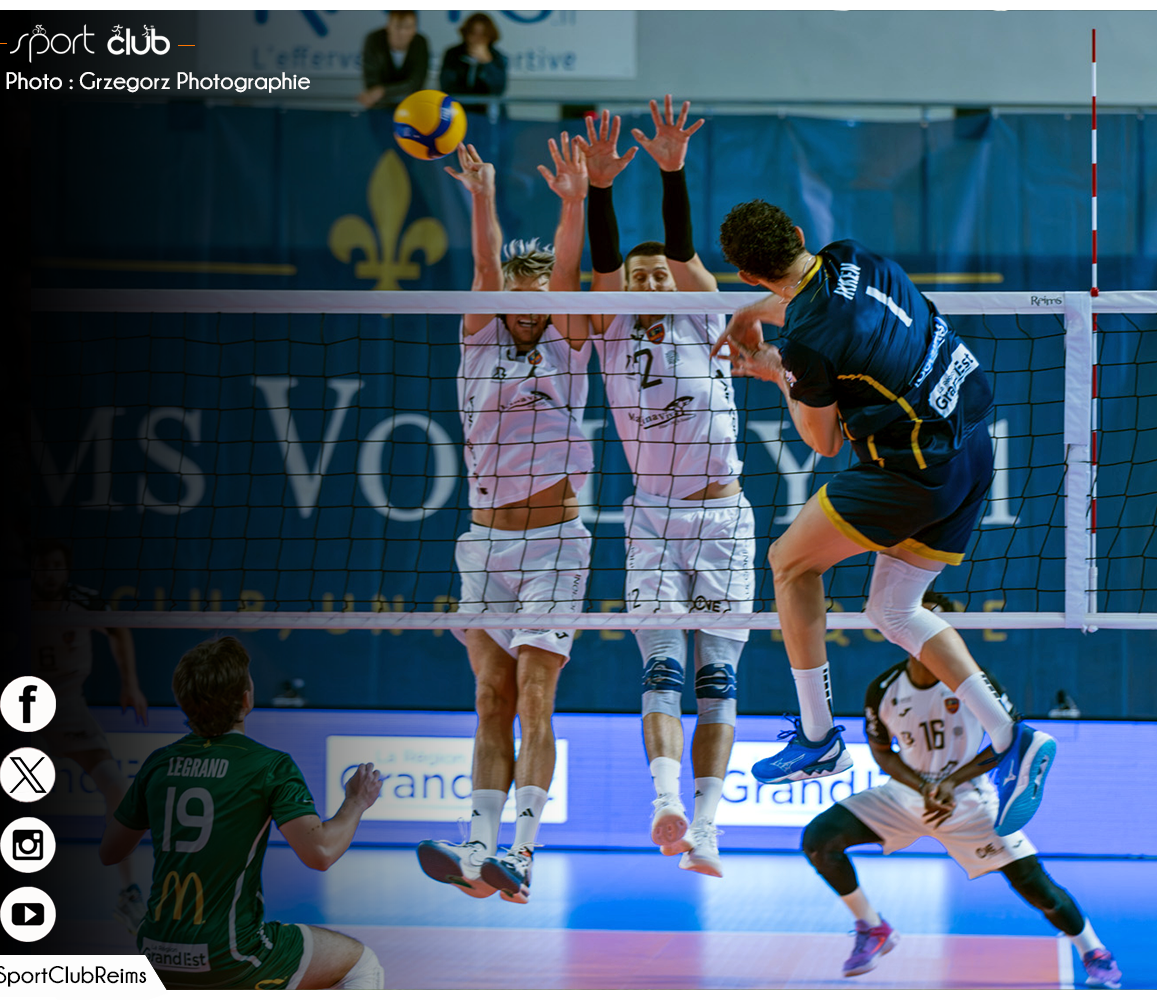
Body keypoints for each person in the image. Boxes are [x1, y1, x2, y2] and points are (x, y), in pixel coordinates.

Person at [715, 200, 1055, 837]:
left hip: (913, 472)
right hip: (973, 446)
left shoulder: (806, 343)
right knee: (894, 610)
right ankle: (1012, 736)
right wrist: (753, 315)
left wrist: (773, 370)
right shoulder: (853, 255)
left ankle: (819, 737)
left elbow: (822, 442)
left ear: (747, 274)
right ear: (798, 233)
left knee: (789, 564)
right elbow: (814, 302)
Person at [575, 97, 753, 877]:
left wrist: (672, 173)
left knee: (717, 679)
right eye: (636, 275)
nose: (648, 280)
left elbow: (682, 252)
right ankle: (665, 805)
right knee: (661, 671)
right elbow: (603, 261)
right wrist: (600, 189)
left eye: (658, 274)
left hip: (722, 519)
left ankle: (707, 829)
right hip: (652, 519)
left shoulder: (704, 317)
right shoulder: (611, 329)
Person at [415, 135, 591, 903]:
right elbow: (485, 269)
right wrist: (481, 193)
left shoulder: (571, 348)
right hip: (484, 545)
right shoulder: (479, 340)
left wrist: (573, 205)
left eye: (540, 296)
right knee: (491, 696)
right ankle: (479, 847)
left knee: (535, 694)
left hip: (555, 545)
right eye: (516, 295)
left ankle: (521, 852)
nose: (526, 306)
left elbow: (568, 272)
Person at [799, 594, 1121, 986]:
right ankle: (872, 926)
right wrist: (924, 785)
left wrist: (950, 782)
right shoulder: (882, 688)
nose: (924, 633)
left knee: (1037, 888)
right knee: (819, 840)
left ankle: (1093, 950)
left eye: (935, 626)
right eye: (917, 623)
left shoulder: (974, 682)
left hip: (967, 797)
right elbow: (882, 752)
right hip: (905, 794)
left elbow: (1007, 741)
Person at [99, 637, 386, 989]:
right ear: (246, 699)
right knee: (361, 964)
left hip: (156, 953)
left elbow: (109, 851)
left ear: (183, 701)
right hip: (230, 955)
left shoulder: (157, 764)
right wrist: (356, 801)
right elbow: (321, 853)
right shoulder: (268, 766)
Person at [31, 538, 149, 933]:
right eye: (43, 566)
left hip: (68, 706)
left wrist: (129, 684)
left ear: (66, 570)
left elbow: (118, 630)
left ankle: (128, 892)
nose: (50, 574)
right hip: (19, 704)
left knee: (118, 789)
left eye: (57, 566)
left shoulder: (82, 600)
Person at [439, 12, 507, 118]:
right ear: (466, 34)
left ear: (490, 37)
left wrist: (487, 63)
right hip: (458, 110)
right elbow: (447, 85)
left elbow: (498, 90)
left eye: (483, 35)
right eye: (473, 34)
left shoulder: (497, 57)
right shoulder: (453, 54)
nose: (477, 39)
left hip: (488, 113)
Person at [357, 10, 429, 110]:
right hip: (380, 108)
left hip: (411, 107)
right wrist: (377, 93)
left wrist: (383, 91)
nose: (402, 32)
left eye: (408, 27)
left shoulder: (420, 43)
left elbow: (415, 83)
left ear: (414, 29)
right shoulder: (374, 40)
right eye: (398, 27)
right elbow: (372, 83)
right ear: (388, 26)